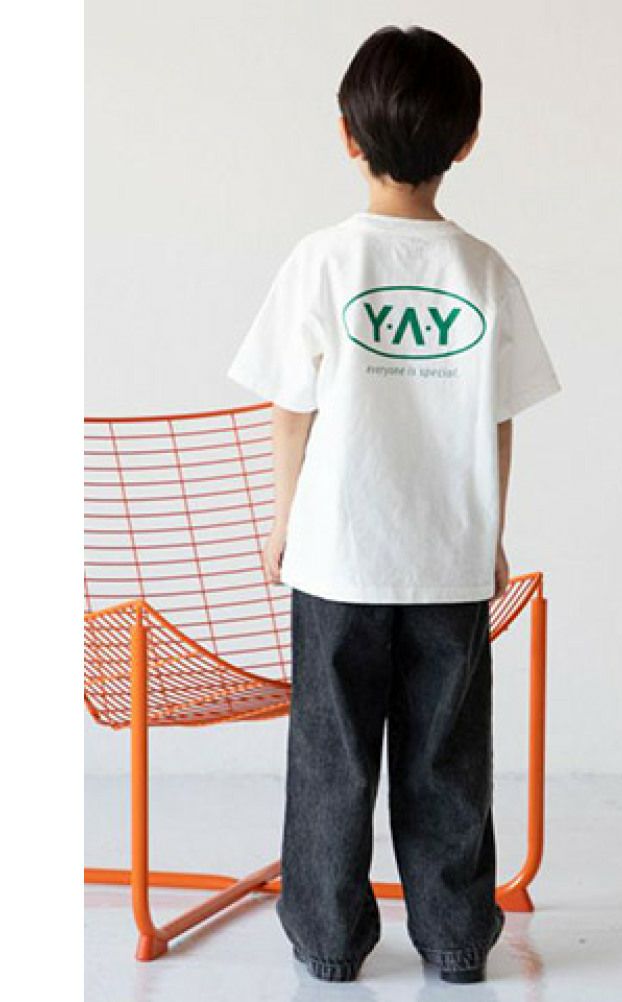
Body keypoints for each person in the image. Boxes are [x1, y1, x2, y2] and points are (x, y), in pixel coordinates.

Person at [228, 25, 560, 984]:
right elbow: (499, 420)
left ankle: (328, 942)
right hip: (446, 558)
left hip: (338, 555)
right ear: (467, 140)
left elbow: (291, 410)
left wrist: (284, 520)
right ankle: (455, 941)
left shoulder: (323, 261)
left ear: (346, 135)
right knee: (445, 757)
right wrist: (491, 533)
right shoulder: (483, 270)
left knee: (330, 757)